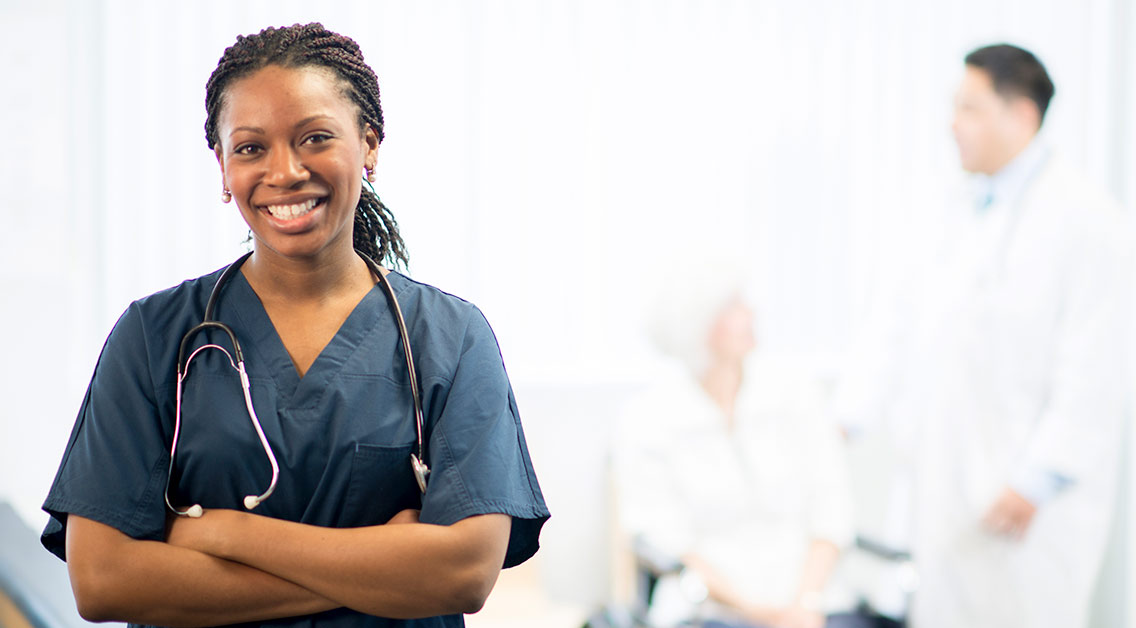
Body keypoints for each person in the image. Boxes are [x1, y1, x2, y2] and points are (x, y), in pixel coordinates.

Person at [39, 23, 549, 628]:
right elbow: (102, 581)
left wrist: (229, 534)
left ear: (370, 146)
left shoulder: (450, 338)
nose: (284, 172)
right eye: (251, 148)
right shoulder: (152, 337)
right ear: (224, 167)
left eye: (315, 138)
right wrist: (385, 572)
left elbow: (463, 572)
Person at [832, 44, 1129, 628]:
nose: (952, 124)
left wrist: (1034, 481)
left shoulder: (1090, 223)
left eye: (969, 108)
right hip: (947, 486)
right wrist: (847, 417)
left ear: (1021, 116)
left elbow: (1094, 373)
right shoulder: (952, 208)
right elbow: (895, 324)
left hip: (1033, 507)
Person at [614, 262, 854, 628]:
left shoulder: (797, 396)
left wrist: (804, 604)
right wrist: (761, 615)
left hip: (814, 608)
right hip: (711, 614)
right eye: (734, 306)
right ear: (697, 324)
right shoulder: (648, 421)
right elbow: (668, 541)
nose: (751, 314)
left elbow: (831, 509)